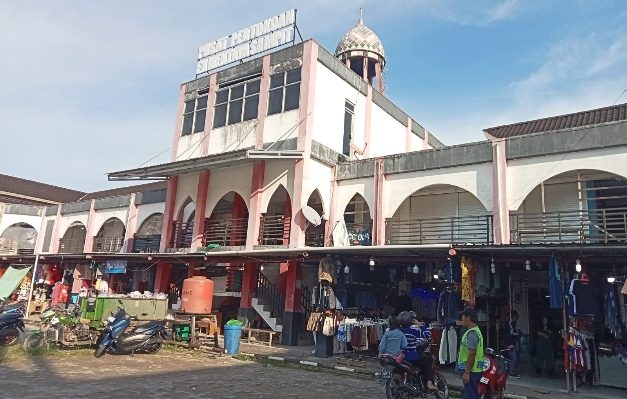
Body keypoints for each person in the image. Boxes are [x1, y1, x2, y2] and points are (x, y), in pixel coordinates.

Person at [398, 311, 438, 391]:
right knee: (428, 361)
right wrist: (419, 324)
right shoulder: (413, 332)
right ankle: (429, 383)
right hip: (411, 357)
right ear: (410, 321)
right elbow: (427, 335)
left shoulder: (397, 331)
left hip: (400, 356)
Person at [458, 307, 485, 399]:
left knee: (470, 396)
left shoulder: (472, 333)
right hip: (475, 370)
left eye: (463, 316)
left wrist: (467, 372)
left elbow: (472, 354)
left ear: (468, 318)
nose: (462, 319)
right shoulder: (475, 330)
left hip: (472, 371)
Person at [503, 310, 521, 378]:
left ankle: (510, 371)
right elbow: (508, 335)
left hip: (512, 343)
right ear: (514, 317)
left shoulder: (512, 324)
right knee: (513, 358)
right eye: (516, 318)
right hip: (510, 344)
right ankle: (511, 372)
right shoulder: (509, 324)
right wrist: (509, 344)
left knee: (511, 358)